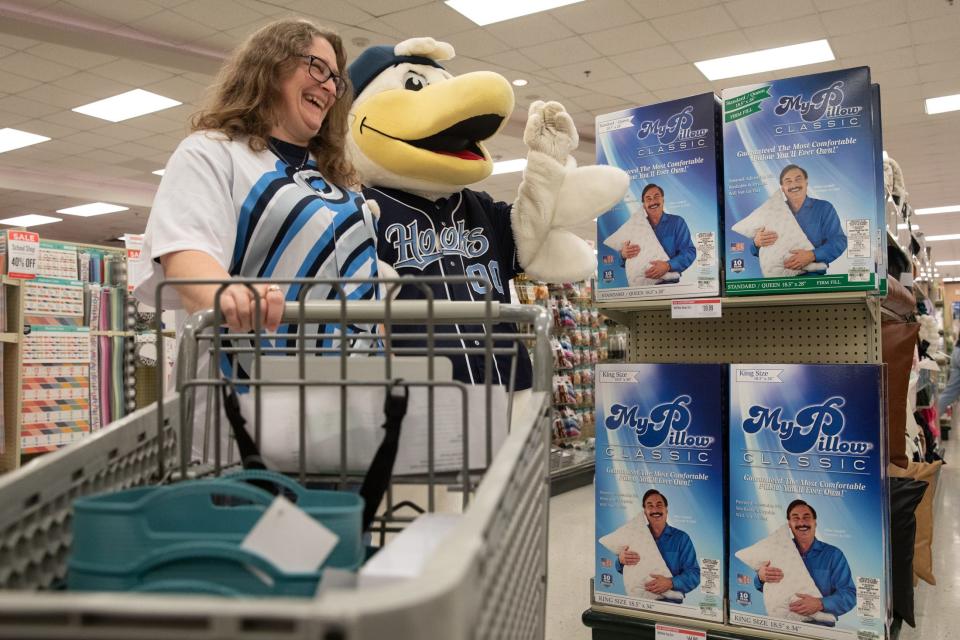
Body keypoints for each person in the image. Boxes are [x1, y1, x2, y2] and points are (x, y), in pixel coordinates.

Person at [134, 18, 378, 338]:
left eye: (336, 79)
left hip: (356, 377)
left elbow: (367, 285)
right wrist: (226, 293)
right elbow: (187, 256)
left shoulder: (338, 176)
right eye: (317, 68)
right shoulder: (211, 153)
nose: (330, 87)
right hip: (248, 377)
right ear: (272, 65)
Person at [755, 500, 856, 618]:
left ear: (815, 522)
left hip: (819, 627)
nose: (801, 522)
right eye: (795, 518)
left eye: (806, 517)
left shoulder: (833, 555)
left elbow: (849, 595)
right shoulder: (778, 551)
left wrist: (820, 603)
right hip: (782, 624)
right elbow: (762, 586)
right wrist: (760, 577)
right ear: (789, 524)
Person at [752, 165, 847, 274]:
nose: (794, 184)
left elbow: (839, 241)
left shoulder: (824, 208)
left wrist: (812, 255)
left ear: (806, 183)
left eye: (798, 179)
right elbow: (755, 250)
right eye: (788, 181)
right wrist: (756, 243)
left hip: (813, 282)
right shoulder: (774, 212)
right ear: (782, 188)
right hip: (779, 283)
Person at [615, 489, 701, 595]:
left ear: (666, 510)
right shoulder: (635, 535)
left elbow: (695, 574)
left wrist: (671, 583)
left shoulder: (681, 538)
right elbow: (621, 567)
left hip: (670, 604)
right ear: (645, 512)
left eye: (659, 505)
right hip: (639, 601)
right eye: (650, 506)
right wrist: (620, 560)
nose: (655, 509)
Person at [618, 184, 696, 282]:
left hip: (669, 286)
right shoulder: (636, 226)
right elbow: (621, 260)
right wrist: (623, 255)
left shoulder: (677, 222)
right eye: (648, 199)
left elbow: (689, 252)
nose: (653, 202)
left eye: (656, 197)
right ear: (644, 205)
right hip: (641, 288)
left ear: (663, 200)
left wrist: (668, 265)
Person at [938, 340, 960, 414]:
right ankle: (934, 417)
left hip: (957, 351)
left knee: (950, 393)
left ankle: (934, 417)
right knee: (949, 394)